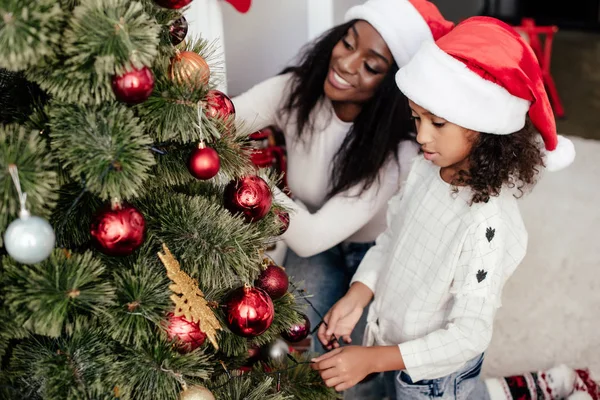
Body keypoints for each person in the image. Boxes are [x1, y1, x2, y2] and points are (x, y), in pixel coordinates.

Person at [312, 16, 576, 399]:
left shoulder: (486, 223)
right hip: (388, 341)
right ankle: (521, 388)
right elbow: (391, 239)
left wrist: (373, 360)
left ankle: (524, 389)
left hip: (434, 378)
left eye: (437, 122)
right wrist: (359, 295)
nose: (420, 136)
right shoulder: (425, 167)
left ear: (484, 127)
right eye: (416, 118)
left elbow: (469, 335)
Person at [232, 0, 453, 351]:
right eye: (348, 43)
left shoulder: (398, 152)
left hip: (377, 254)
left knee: (360, 368)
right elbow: (222, 120)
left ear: (392, 84)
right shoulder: (295, 91)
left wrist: (238, 174)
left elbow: (310, 237)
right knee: (295, 328)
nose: (346, 64)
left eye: (370, 65)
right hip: (313, 232)